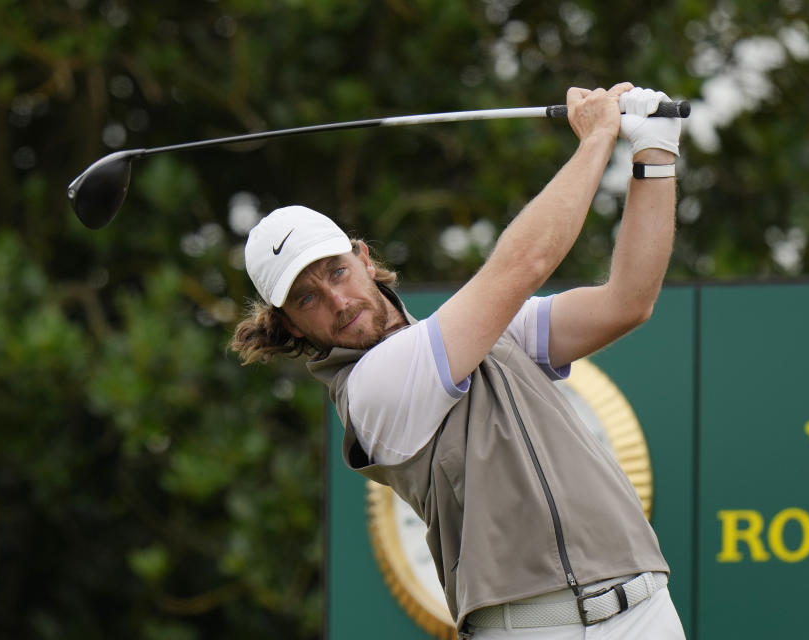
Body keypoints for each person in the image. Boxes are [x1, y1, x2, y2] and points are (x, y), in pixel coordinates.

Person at [231, 83, 686, 639]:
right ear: (291, 328)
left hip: (644, 609)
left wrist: (655, 155)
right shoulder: (373, 390)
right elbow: (525, 264)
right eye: (306, 299)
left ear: (363, 258)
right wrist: (597, 138)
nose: (336, 301)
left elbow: (628, 302)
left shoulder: (488, 336)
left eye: (335, 272)